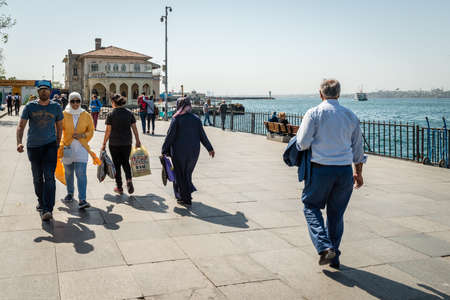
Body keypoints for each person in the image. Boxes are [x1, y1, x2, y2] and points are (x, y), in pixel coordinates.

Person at [296, 79, 366, 269]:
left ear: (321, 94)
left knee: (310, 206)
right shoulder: (350, 115)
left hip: (320, 169)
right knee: (336, 215)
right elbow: (358, 150)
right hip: (344, 171)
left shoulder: (314, 113)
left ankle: (325, 247)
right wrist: (358, 173)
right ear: (339, 94)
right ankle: (334, 256)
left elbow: (302, 143)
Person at [16, 80, 63, 221]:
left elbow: (60, 126)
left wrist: (58, 142)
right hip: (33, 147)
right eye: (41, 89)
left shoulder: (56, 107)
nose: (44, 91)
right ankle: (41, 202)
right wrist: (19, 142)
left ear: (50, 91)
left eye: (46, 89)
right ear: (38, 92)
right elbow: (21, 126)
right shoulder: (30, 106)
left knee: (49, 177)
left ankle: (47, 208)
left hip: (50, 146)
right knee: (37, 178)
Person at [162, 97, 215, 206]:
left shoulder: (176, 119)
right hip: (193, 152)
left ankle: (184, 197)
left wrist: (164, 150)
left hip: (179, 151)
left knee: (179, 174)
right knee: (187, 173)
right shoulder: (196, 119)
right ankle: (186, 195)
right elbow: (202, 136)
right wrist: (210, 148)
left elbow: (170, 136)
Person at [58, 92, 100, 209]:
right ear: (69, 102)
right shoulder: (64, 114)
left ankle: (82, 199)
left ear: (81, 102)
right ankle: (70, 193)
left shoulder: (86, 115)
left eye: (78, 101)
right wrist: (59, 144)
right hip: (67, 147)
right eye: (73, 101)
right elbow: (59, 130)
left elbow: (91, 131)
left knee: (81, 174)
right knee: (69, 173)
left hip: (82, 148)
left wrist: (82, 136)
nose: (75, 103)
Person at [101, 94, 141, 194]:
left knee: (117, 165)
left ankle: (119, 187)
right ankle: (129, 180)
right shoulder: (129, 113)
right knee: (126, 163)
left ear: (113, 102)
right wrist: (138, 140)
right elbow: (134, 128)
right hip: (127, 142)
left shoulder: (111, 114)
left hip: (114, 143)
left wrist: (104, 143)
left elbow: (108, 131)